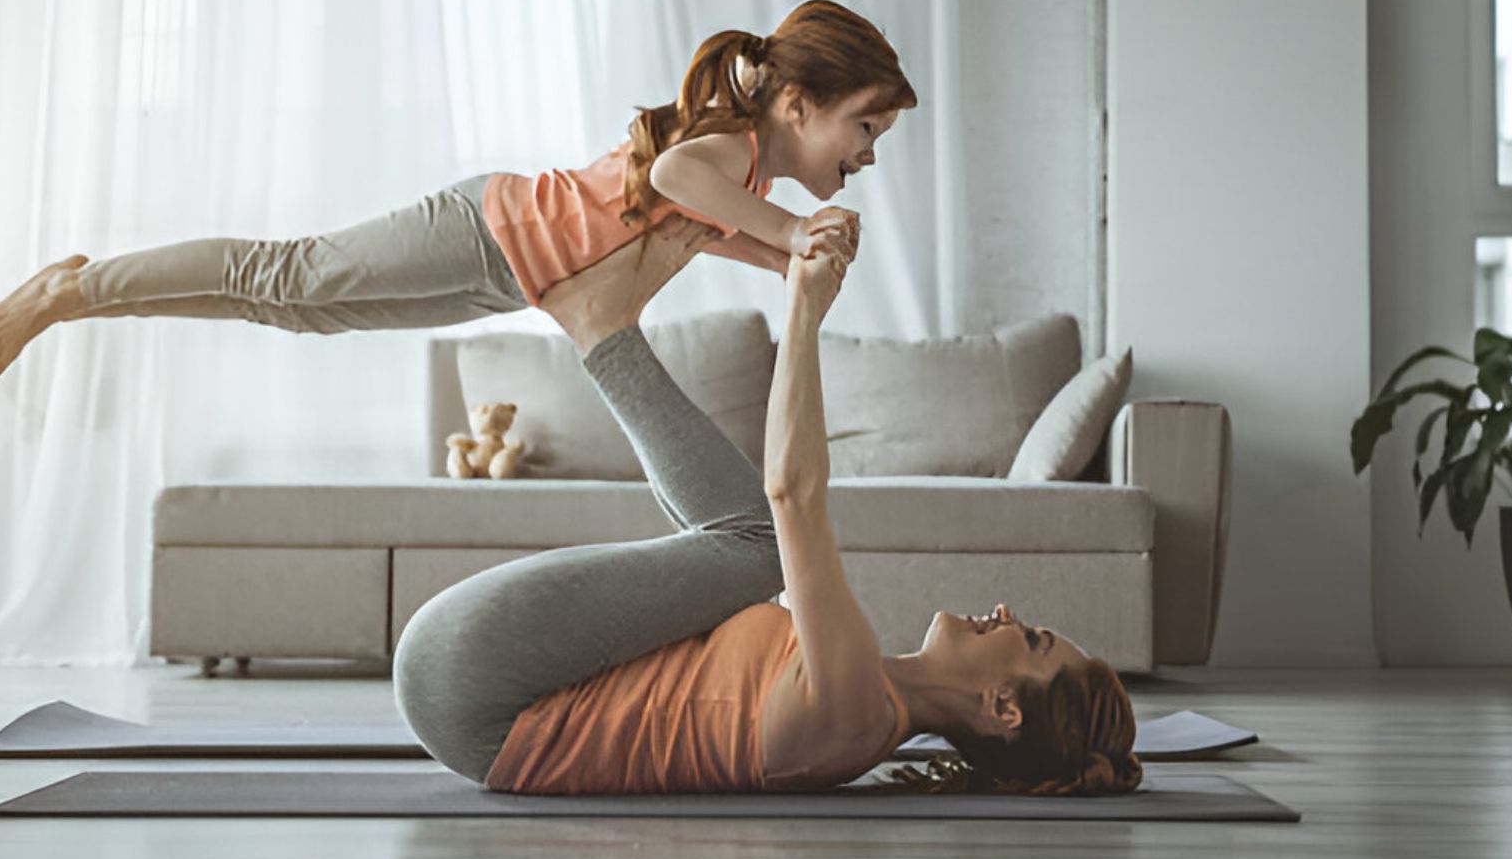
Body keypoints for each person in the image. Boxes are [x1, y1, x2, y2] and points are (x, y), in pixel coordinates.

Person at [393, 211, 1144, 797]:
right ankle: (603, 326)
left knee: (758, 549)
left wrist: (804, 310)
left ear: (1003, 708)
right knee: (749, 549)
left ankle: (602, 328)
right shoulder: (862, 695)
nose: (1010, 613)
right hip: (473, 687)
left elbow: (792, 495)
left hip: (476, 684)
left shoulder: (855, 712)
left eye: (1036, 639)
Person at [0, 0, 917, 379]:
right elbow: (673, 176)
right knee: (286, 272)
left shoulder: (742, 173)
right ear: (797, 102)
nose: (869, 151)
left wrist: (785, 264)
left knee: (298, 313)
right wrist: (794, 233)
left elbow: (705, 228)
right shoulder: (725, 148)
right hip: (488, 229)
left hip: (508, 278)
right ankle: (71, 290)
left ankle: (88, 300)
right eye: (866, 125)